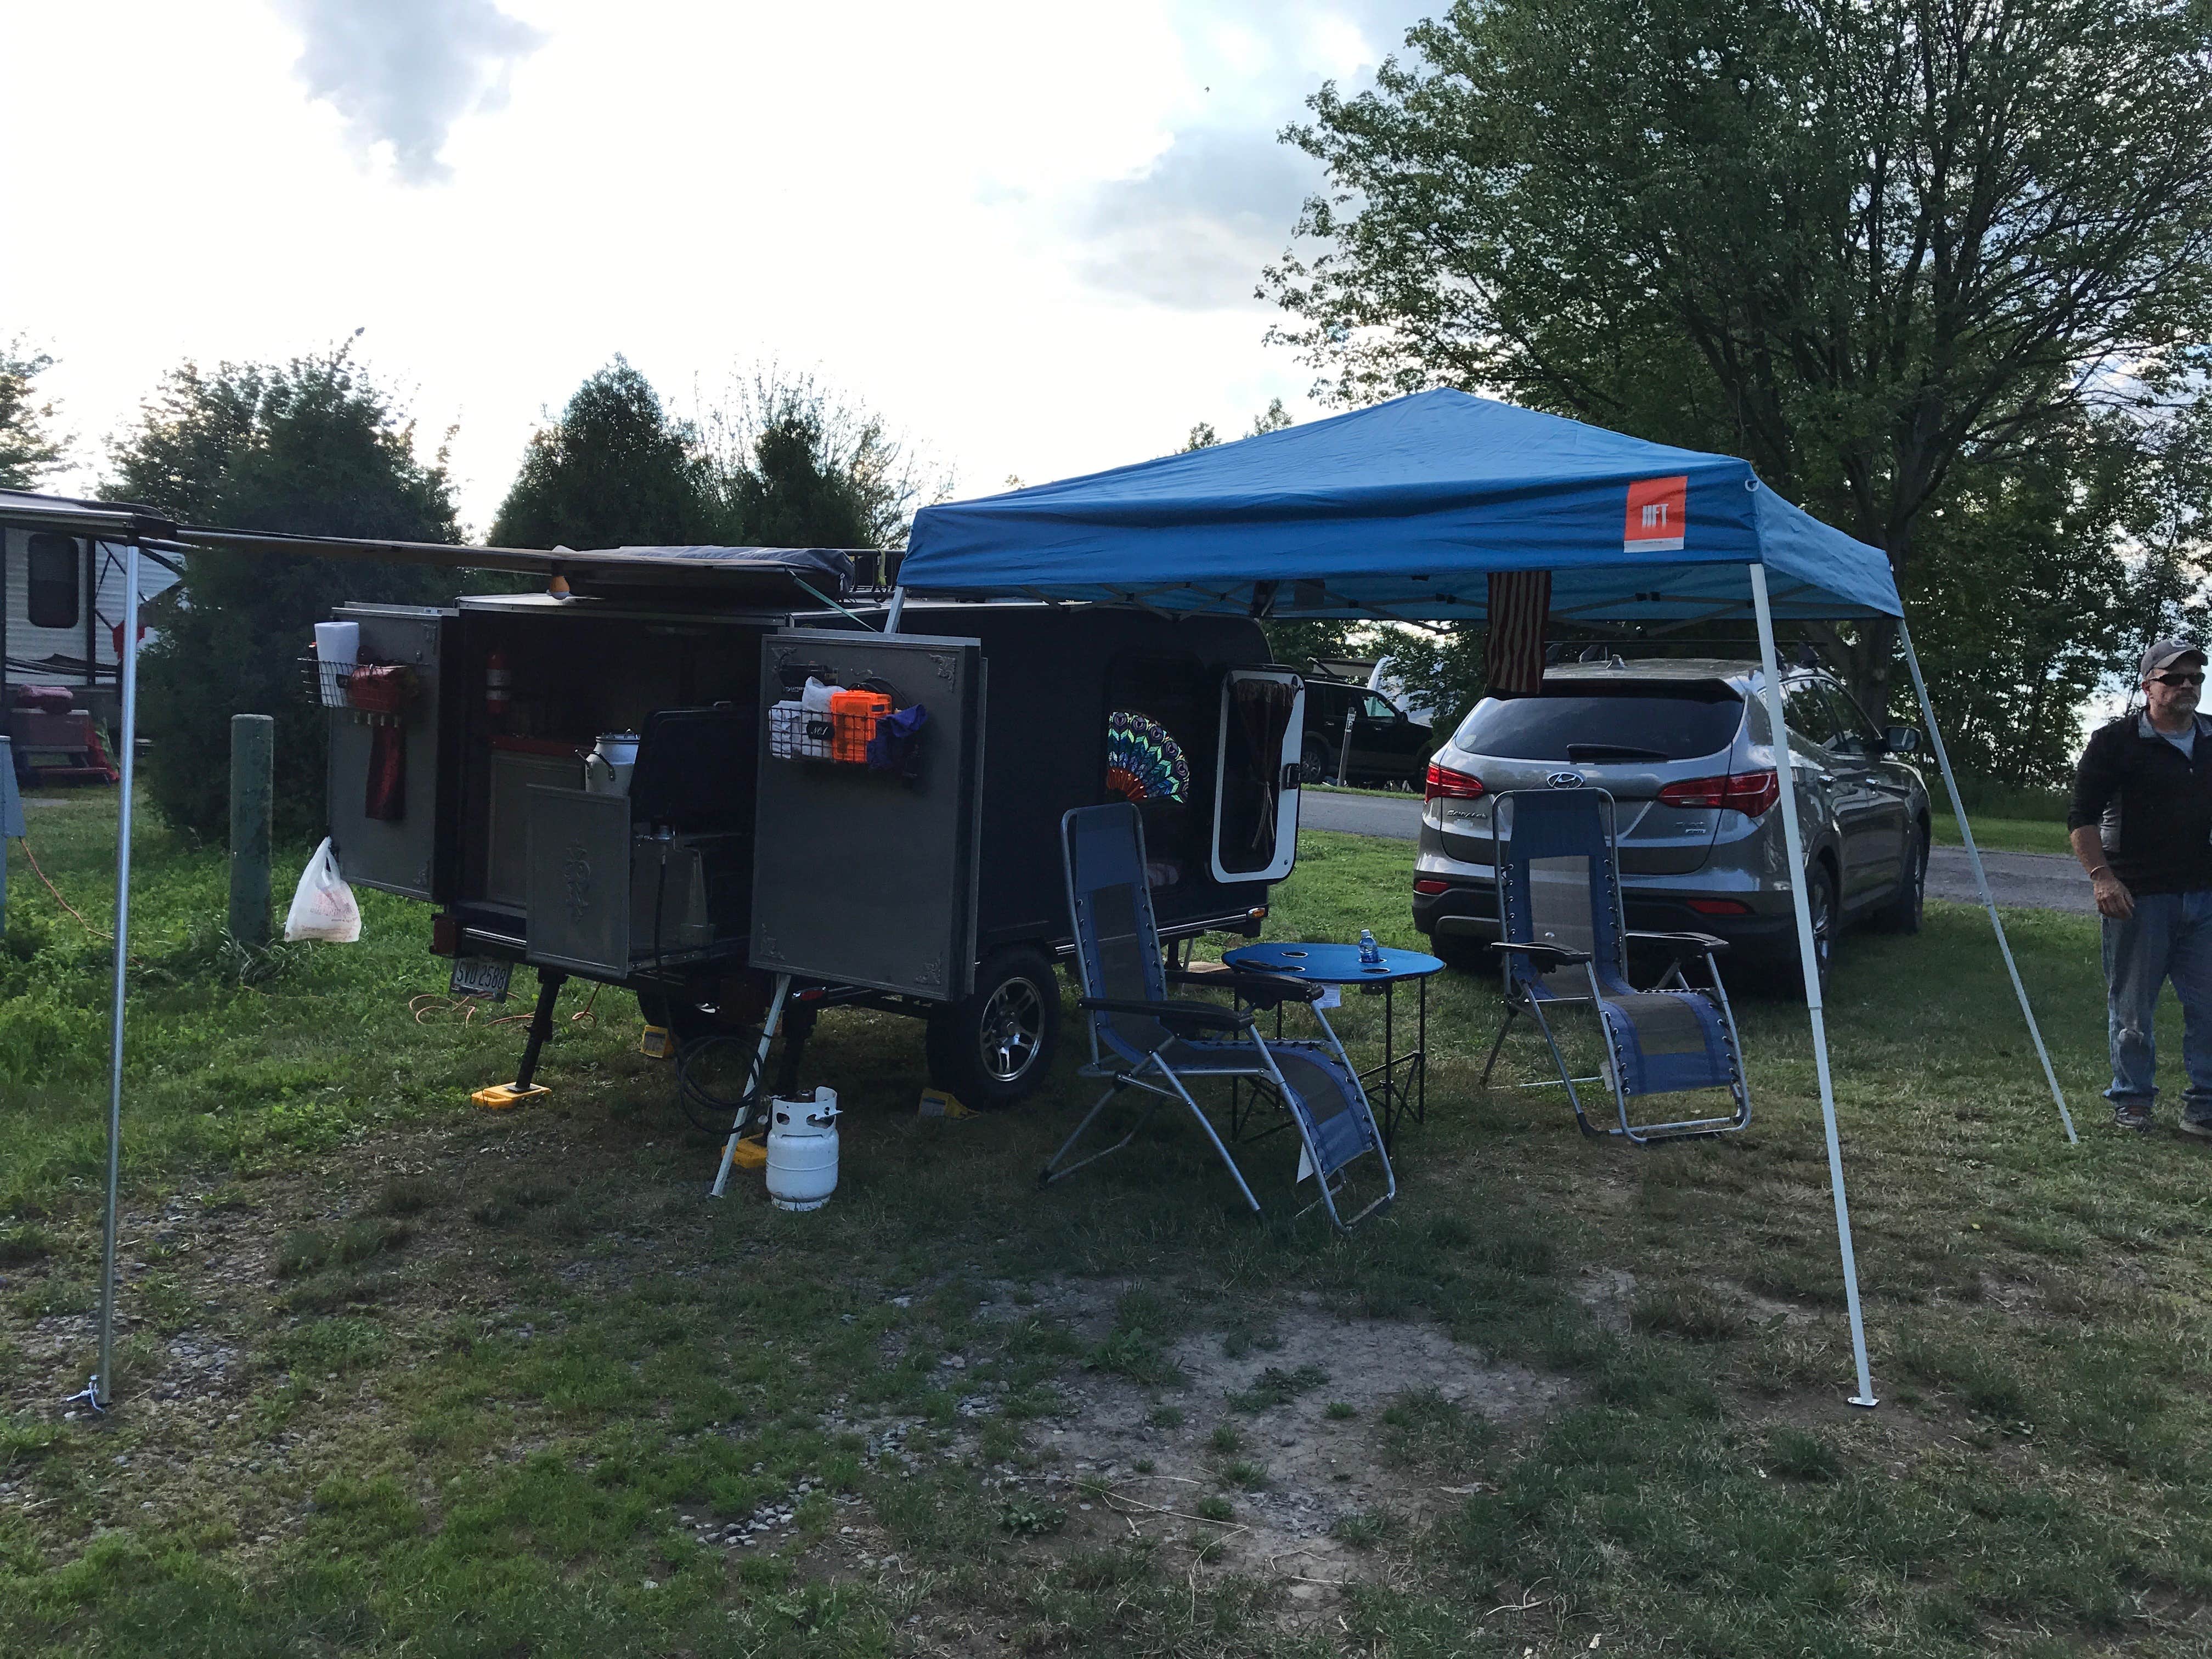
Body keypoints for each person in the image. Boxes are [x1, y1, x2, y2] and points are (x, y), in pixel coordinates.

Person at [2069, 639, 2212, 1133]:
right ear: (2148, 685)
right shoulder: (2116, 742)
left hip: (2204, 895)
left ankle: (2205, 1105)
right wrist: (2101, 877)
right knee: (2133, 1009)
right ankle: (2133, 1100)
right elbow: (2081, 816)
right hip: (2138, 896)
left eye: (2195, 678)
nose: (2187, 686)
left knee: (2209, 1005)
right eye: (2174, 679)